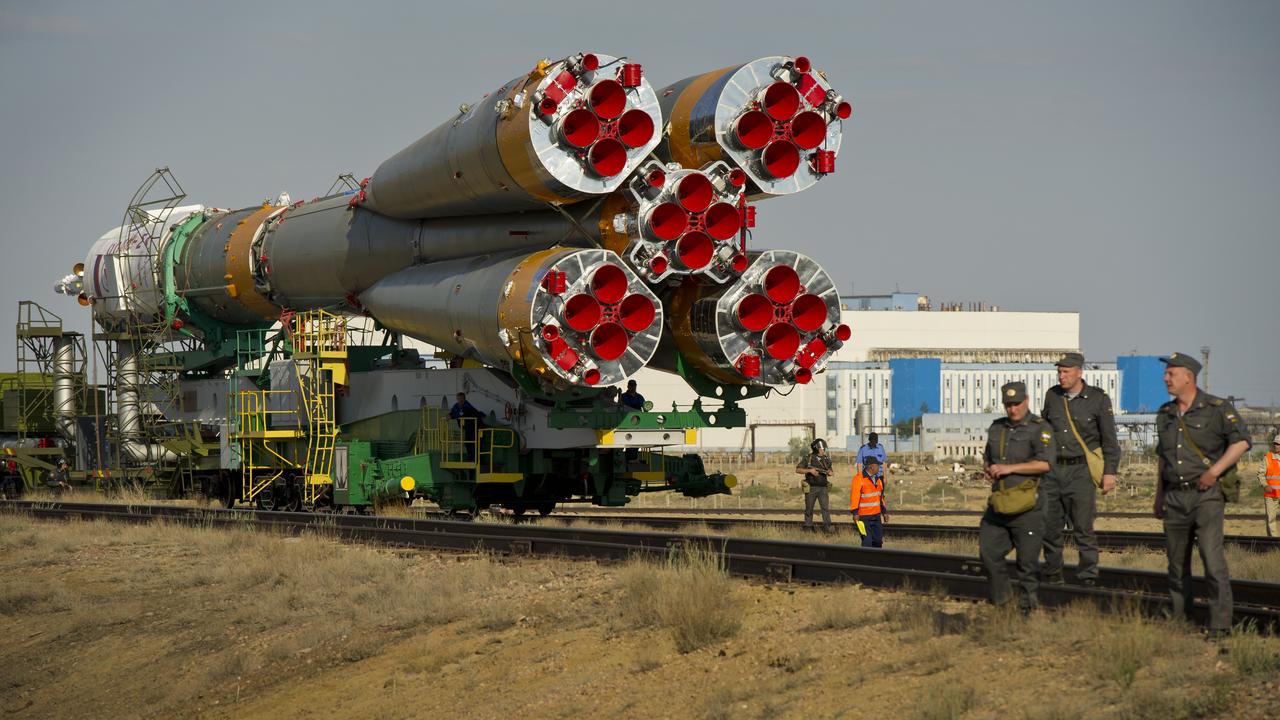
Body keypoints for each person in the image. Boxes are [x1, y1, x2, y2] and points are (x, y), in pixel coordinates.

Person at [1154, 352, 1250, 638]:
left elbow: (1243, 441)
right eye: (1166, 373)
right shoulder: (1165, 413)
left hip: (1206, 496)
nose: (1165, 378)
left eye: (1171, 373)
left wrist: (1215, 471)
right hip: (1174, 497)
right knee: (1176, 563)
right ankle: (1182, 620)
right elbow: (1162, 457)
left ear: (1188, 377)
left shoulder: (1217, 408)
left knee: (1212, 559)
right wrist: (1158, 496)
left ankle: (1220, 625)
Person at [1038, 352, 1121, 587]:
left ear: (1079, 372)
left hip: (1081, 471)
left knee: (1083, 528)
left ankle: (1087, 579)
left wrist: (1110, 472)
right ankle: (1053, 575)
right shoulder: (1052, 396)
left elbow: (1110, 440)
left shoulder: (1098, 399)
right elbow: (1045, 431)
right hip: (1053, 472)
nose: (1061, 376)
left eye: (1065, 372)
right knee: (1050, 528)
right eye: (1059, 371)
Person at [979, 381, 1054, 613]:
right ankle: (1003, 603)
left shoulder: (1039, 428)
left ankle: (1026, 612)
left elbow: (1045, 464)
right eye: (1008, 404)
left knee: (1027, 563)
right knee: (989, 553)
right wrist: (989, 469)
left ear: (1027, 401)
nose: (1013, 409)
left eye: (1017, 403)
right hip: (1000, 503)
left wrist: (1010, 469)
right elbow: (988, 458)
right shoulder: (996, 428)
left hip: (1028, 506)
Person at [796, 438, 833, 532]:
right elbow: (798, 470)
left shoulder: (826, 459)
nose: (823, 450)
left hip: (823, 488)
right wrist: (810, 471)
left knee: (825, 508)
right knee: (809, 509)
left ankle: (827, 527)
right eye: (822, 449)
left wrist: (830, 472)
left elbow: (831, 470)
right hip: (811, 488)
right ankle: (808, 527)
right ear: (816, 449)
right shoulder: (808, 458)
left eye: (824, 449)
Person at [852, 457, 888, 547]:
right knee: (867, 542)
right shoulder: (859, 479)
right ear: (871, 466)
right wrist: (855, 513)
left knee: (878, 542)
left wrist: (884, 512)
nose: (879, 468)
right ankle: (865, 560)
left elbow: (881, 498)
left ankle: (875, 560)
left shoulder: (878, 480)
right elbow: (854, 497)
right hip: (864, 517)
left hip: (876, 516)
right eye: (877, 466)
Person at [449, 392, 485, 460]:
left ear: (464, 399)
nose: (460, 400)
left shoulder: (467, 406)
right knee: (468, 442)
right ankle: (470, 457)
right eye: (458, 399)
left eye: (461, 399)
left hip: (476, 427)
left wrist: (452, 416)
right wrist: (449, 415)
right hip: (468, 428)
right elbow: (453, 412)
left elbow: (462, 414)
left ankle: (477, 459)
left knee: (475, 443)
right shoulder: (456, 405)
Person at [1256, 434, 1280, 537]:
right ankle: (1274, 544)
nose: (1276, 446)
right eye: (1275, 444)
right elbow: (1260, 474)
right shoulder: (1268, 457)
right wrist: (1265, 485)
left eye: (1278, 444)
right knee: (1271, 519)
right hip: (1271, 495)